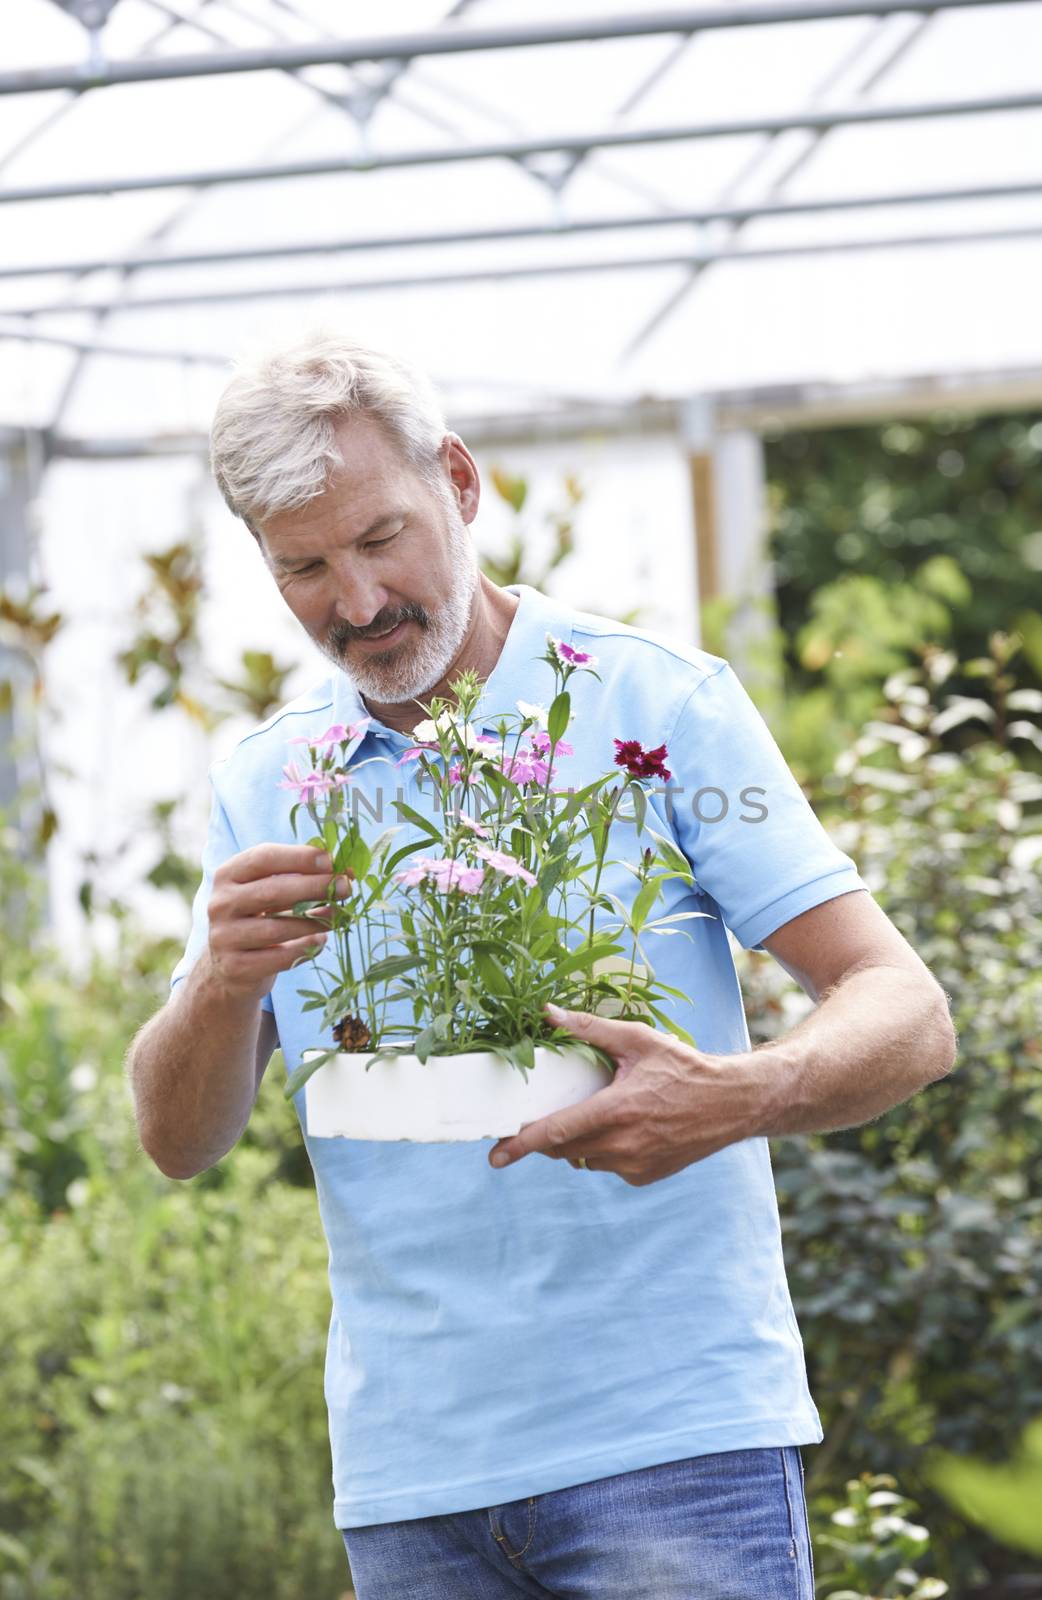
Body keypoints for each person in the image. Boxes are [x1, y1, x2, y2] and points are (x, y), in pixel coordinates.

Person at [126, 330, 956, 1600]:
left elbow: (905, 1007)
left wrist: (738, 1094)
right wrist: (221, 986)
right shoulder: (270, 781)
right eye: (304, 566)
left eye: (381, 538)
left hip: (675, 1445)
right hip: (416, 1482)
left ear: (459, 482)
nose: (356, 603)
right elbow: (180, 1139)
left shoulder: (653, 707)